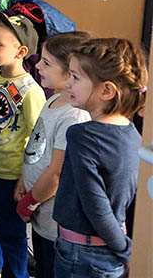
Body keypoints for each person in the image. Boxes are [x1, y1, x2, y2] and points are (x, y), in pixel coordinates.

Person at [52, 38, 147, 278]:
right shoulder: (133, 133)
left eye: (75, 77)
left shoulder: (81, 136)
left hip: (82, 254)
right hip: (108, 250)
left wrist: (126, 252)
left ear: (106, 90)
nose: (67, 83)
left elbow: (97, 207)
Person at [0, 8, 46, 278]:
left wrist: (26, 178)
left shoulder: (31, 91)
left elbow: (39, 139)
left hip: (11, 174)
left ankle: (16, 274)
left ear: (20, 51)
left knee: (11, 230)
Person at [13, 32, 91, 278]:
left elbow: (56, 174)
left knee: (49, 267)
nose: (37, 66)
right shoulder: (54, 99)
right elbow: (38, 148)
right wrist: (24, 180)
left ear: (71, 72)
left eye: (46, 63)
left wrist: (28, 203)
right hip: (38, 210)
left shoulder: (74, 116)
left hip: (52, 219)